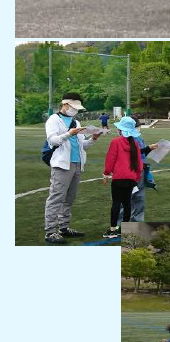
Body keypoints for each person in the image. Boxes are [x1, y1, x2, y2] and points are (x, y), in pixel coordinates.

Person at [43, 93, 102, 244]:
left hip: (77, 164)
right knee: (56, 197)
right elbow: (53, 141)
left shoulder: (76, 121)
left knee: (69, 198)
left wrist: (93, 139)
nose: (75, 110)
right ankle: (50, 231)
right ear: (65, 104)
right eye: (73, 107)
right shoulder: (54, 120)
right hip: (62, 164)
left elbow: (83, 146)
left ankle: (64, 227)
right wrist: (69, 134)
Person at [102, 116, 143, 238]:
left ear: (121, 130)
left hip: (118, 178)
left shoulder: (116, 142)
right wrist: (136, 177)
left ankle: (113, 229)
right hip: (131, 178)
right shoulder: (135, 144)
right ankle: (124, 228)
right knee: (127, 204)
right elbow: (139, 164)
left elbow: (110, 159)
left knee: (116, 203)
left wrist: (107, 172)